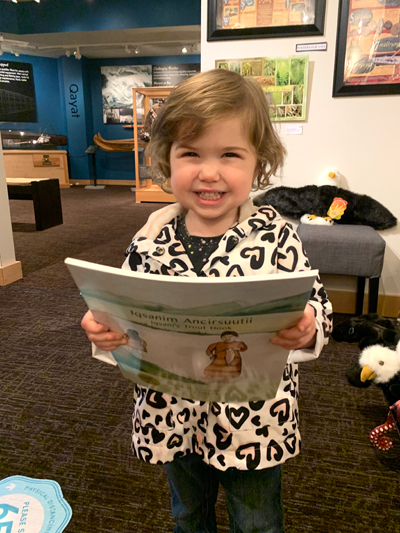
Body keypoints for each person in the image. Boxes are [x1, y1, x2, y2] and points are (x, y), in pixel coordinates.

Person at [81, 68, 333, 533]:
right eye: (191, 153)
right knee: (188, 514)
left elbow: (316, 301)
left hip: (254, 419)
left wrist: (310, 322)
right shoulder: (149, 238)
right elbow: (122, 313)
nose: (209, 171)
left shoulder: (277, 236)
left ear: (259, 163)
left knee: (256, 520)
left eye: (230, 154)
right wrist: (103, 329)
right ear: (167, 159)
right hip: (170, 413)